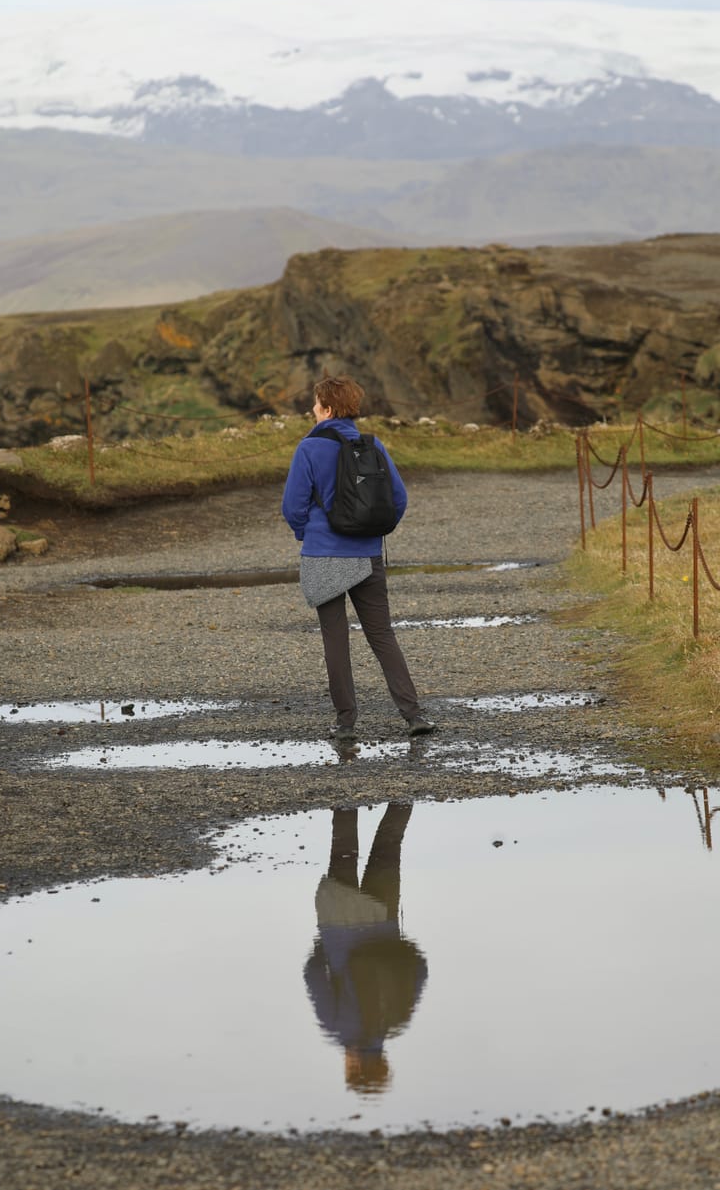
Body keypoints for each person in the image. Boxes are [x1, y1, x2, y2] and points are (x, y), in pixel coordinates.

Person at [281, 373, 435, 741]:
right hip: (367, 555)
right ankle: (413, 715)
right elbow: (398, 500)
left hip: (323, 555)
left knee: (335, 640)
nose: (312, 409)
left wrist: (307, 533)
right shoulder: (372, 444)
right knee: (382, 635)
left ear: (328, 409)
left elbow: (292, 507)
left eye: (316, 404)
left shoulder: (309, 448)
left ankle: (346, 723)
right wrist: (372, 531)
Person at [303, 804, 428, 1095]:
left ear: (384, 1061)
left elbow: (421, 970)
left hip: (385, 921)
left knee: (389, 843)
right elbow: (312, 975)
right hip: (339, 922)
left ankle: (405, 786)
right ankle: (346, 780)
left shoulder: (397, 1019)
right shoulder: (338, 1027)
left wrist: (393, 942)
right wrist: (325, 945)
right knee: (343, 849)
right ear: (354, 1067)